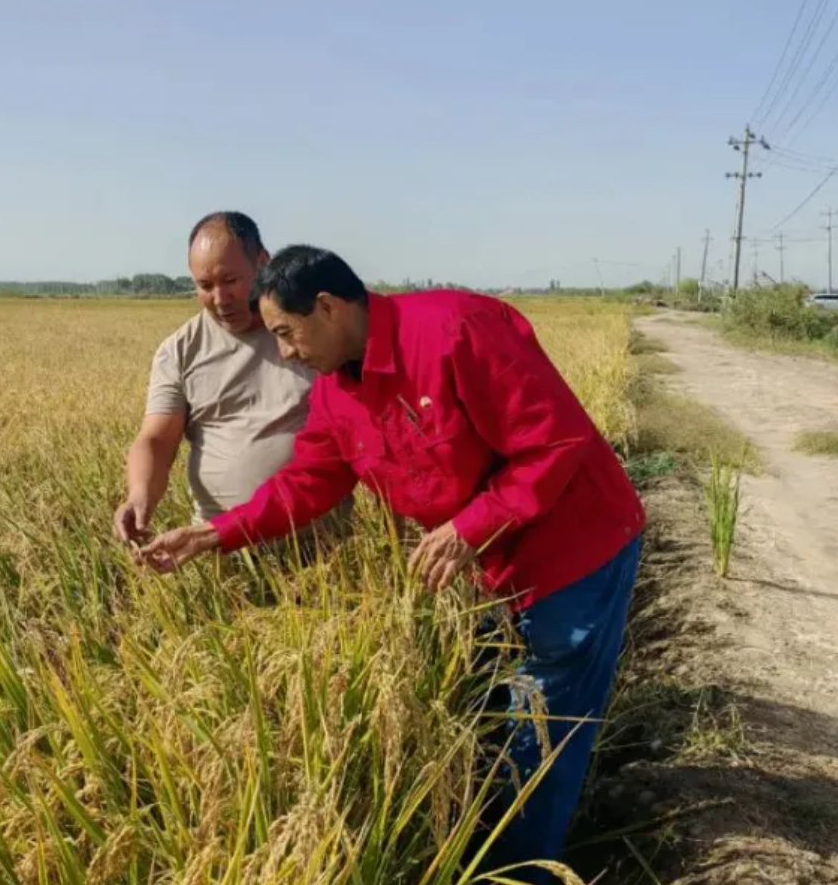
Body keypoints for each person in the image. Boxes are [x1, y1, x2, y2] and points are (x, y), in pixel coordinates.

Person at [138, 245, 645, 875]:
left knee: (543, 729)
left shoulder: (456, 331)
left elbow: (553, 441)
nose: (285, 353)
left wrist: (468, 527)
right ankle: (482, 848)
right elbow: (307, 482)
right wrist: (215, 534)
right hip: (489, 565)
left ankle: (522, 872)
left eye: (286, 333)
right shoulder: (337, 391)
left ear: (328, 307)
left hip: (572, 552)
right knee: (493, 716)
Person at [113, 213, 350, 558]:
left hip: (323, 552)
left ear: (263, 262)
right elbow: (156, 439)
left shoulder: (311, 329)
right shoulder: (180, 350)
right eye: (205, 286)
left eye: (230, 280)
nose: (220, 298)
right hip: (218, 549)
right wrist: (139, 495)